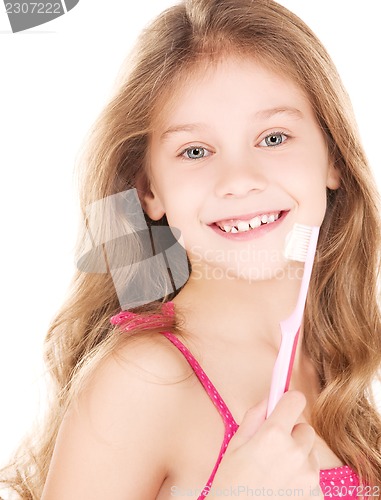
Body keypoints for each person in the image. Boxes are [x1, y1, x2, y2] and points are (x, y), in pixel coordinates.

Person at [1, 0, 381, 498]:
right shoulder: (144, 379)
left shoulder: (336, 360)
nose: (239, 180)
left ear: (332, 158)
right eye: (195, 151)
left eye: (273, 137)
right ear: (148, 191)